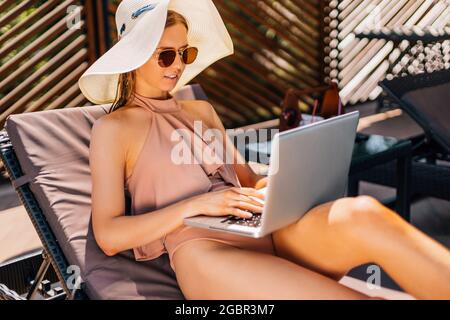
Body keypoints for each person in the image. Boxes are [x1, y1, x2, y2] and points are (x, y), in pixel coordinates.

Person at [79, 0, 450, 299]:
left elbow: (246, 179)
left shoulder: (199, 110)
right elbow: (110, 236)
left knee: (364, 214)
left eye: (184, 53)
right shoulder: (113, 130)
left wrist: (281, 185)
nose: (178, 66)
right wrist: (196, 206)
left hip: (261, 227)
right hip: (204, 252)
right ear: (134, 56)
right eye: (165, 55)